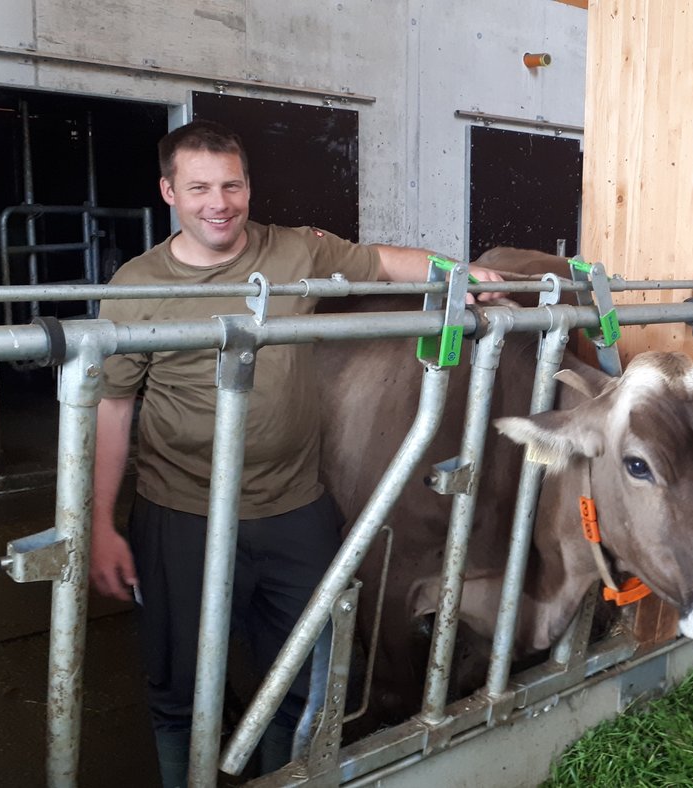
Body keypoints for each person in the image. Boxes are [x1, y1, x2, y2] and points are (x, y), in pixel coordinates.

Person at [87, 120, 504, 786]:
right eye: (199, 188)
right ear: (169, 191)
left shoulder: (295, 254)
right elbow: (111, 406)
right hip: (181, 512)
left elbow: (384, 261)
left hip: (294, 507)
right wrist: (100, 522)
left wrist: (460, 272)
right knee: (181, 683)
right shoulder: (135, 285)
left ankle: (282, 776)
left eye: (231, 185)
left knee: (305, 669)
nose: (217, 202)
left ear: (248, 186)